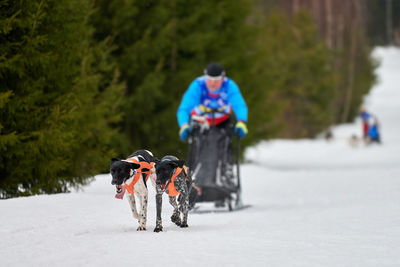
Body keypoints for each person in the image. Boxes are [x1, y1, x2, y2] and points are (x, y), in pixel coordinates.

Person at [177, 62, 248, 141]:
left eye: (217, 80)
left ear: (222, 78)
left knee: (229, 139)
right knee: (196, 140)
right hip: (201, 120)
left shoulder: (229, 85)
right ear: (205, 77)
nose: (213, 83)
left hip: (223, 120)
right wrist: (184, 125)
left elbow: (239, 105)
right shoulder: (198, 85)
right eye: (209, 79)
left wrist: (241, 122)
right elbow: (184, 108)